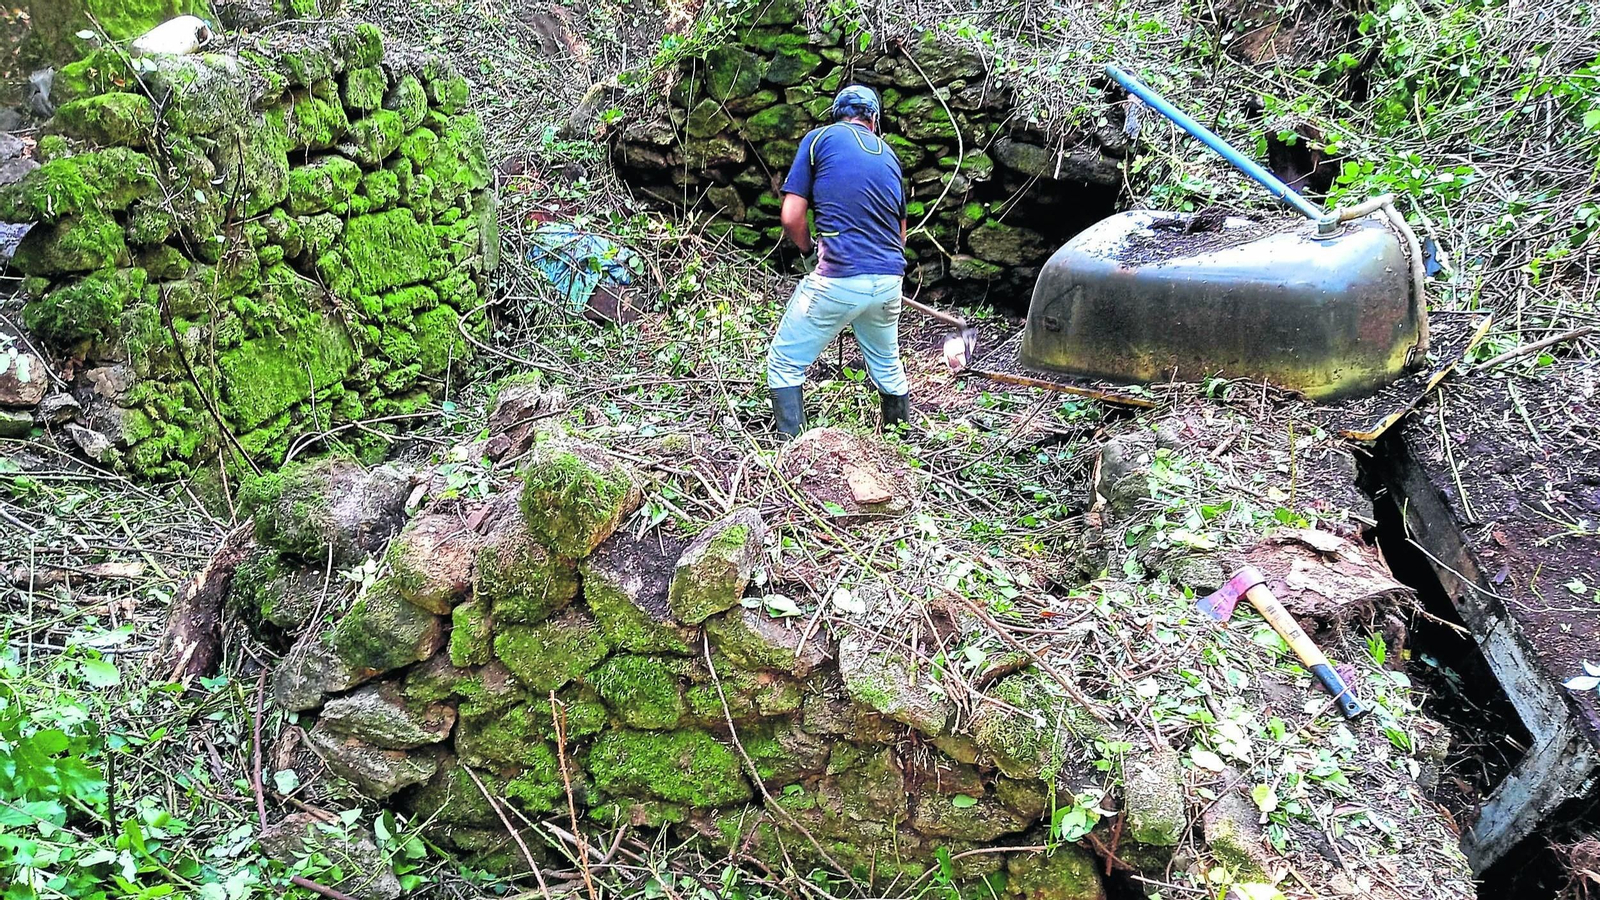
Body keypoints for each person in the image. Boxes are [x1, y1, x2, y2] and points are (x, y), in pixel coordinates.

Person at [766, 84, 909, 439]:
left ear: (837, 115)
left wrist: (808, 251)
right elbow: (900, 233)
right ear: (874, 120)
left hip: (839, 276)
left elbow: (791, 216)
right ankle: (901, 448)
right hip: (890, 279)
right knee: (888, 367)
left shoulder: (819, 140)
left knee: (784, 364)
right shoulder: (890, 157)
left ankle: (794, 458)